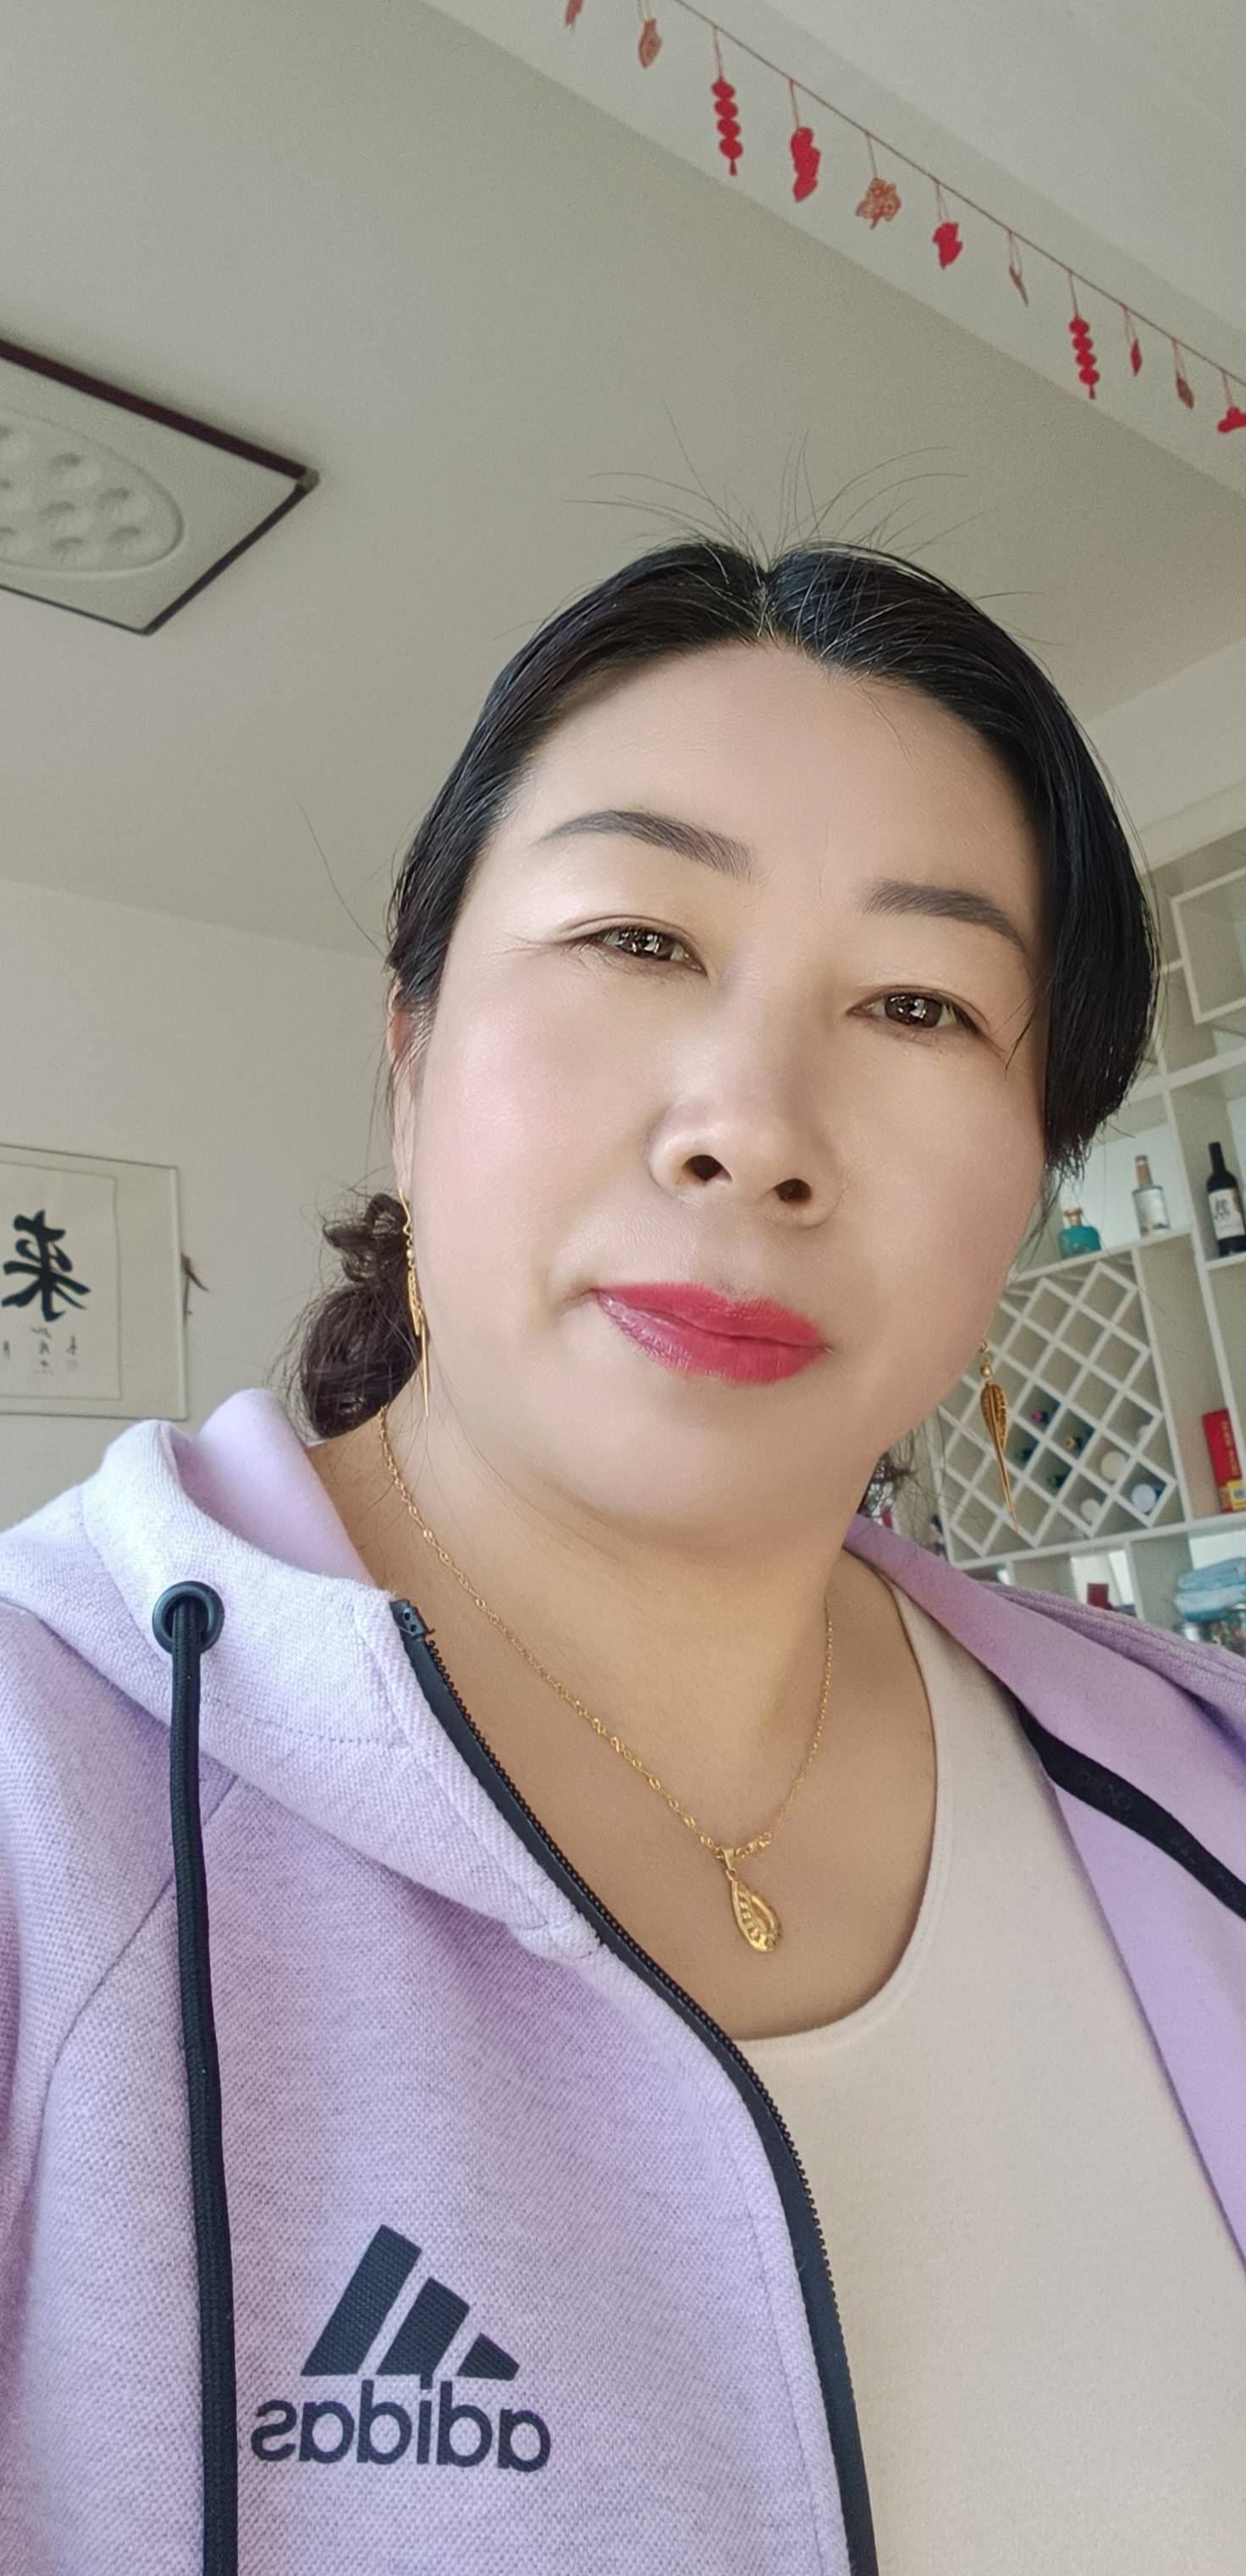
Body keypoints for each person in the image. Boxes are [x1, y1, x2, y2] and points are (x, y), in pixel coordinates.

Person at [3, 535, 1246, 2576]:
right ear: (411, 1060)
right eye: (640, 938)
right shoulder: (43, 1791)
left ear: (1033, 1182)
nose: (749, 1128)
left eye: (919, 1003)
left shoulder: (1201, 1783)